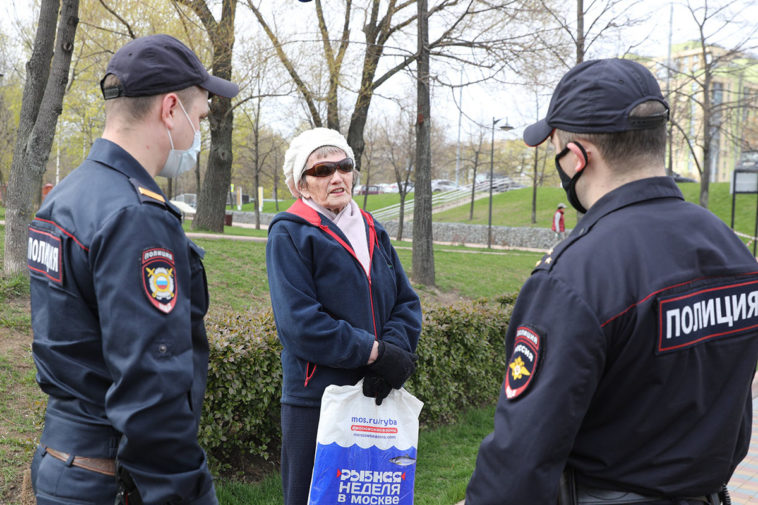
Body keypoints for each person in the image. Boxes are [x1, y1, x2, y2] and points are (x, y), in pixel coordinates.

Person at [465, 58, 758, 505]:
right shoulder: (732, 250)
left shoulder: (575, 277)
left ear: (578, 156)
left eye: (557, 149)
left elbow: (521, 460)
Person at [27, 34, 238, 505]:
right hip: (109, 476)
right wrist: (185, 495)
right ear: (169, 110)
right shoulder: (135, 215)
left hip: (64, 461)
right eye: (200, 115)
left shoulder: (67, 195)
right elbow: (151, 392)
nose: (199, 130)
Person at [266, 127, 422, 505]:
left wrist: (390, 356)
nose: (336, 177)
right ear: (300, 184)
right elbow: (300, 324)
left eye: (344, 166)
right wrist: (374, 353)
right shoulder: (289, 233)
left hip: (375, 392)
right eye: (322, 170)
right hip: (316, 401)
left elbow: (406, 302)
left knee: (373, 497)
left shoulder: (373, 229)